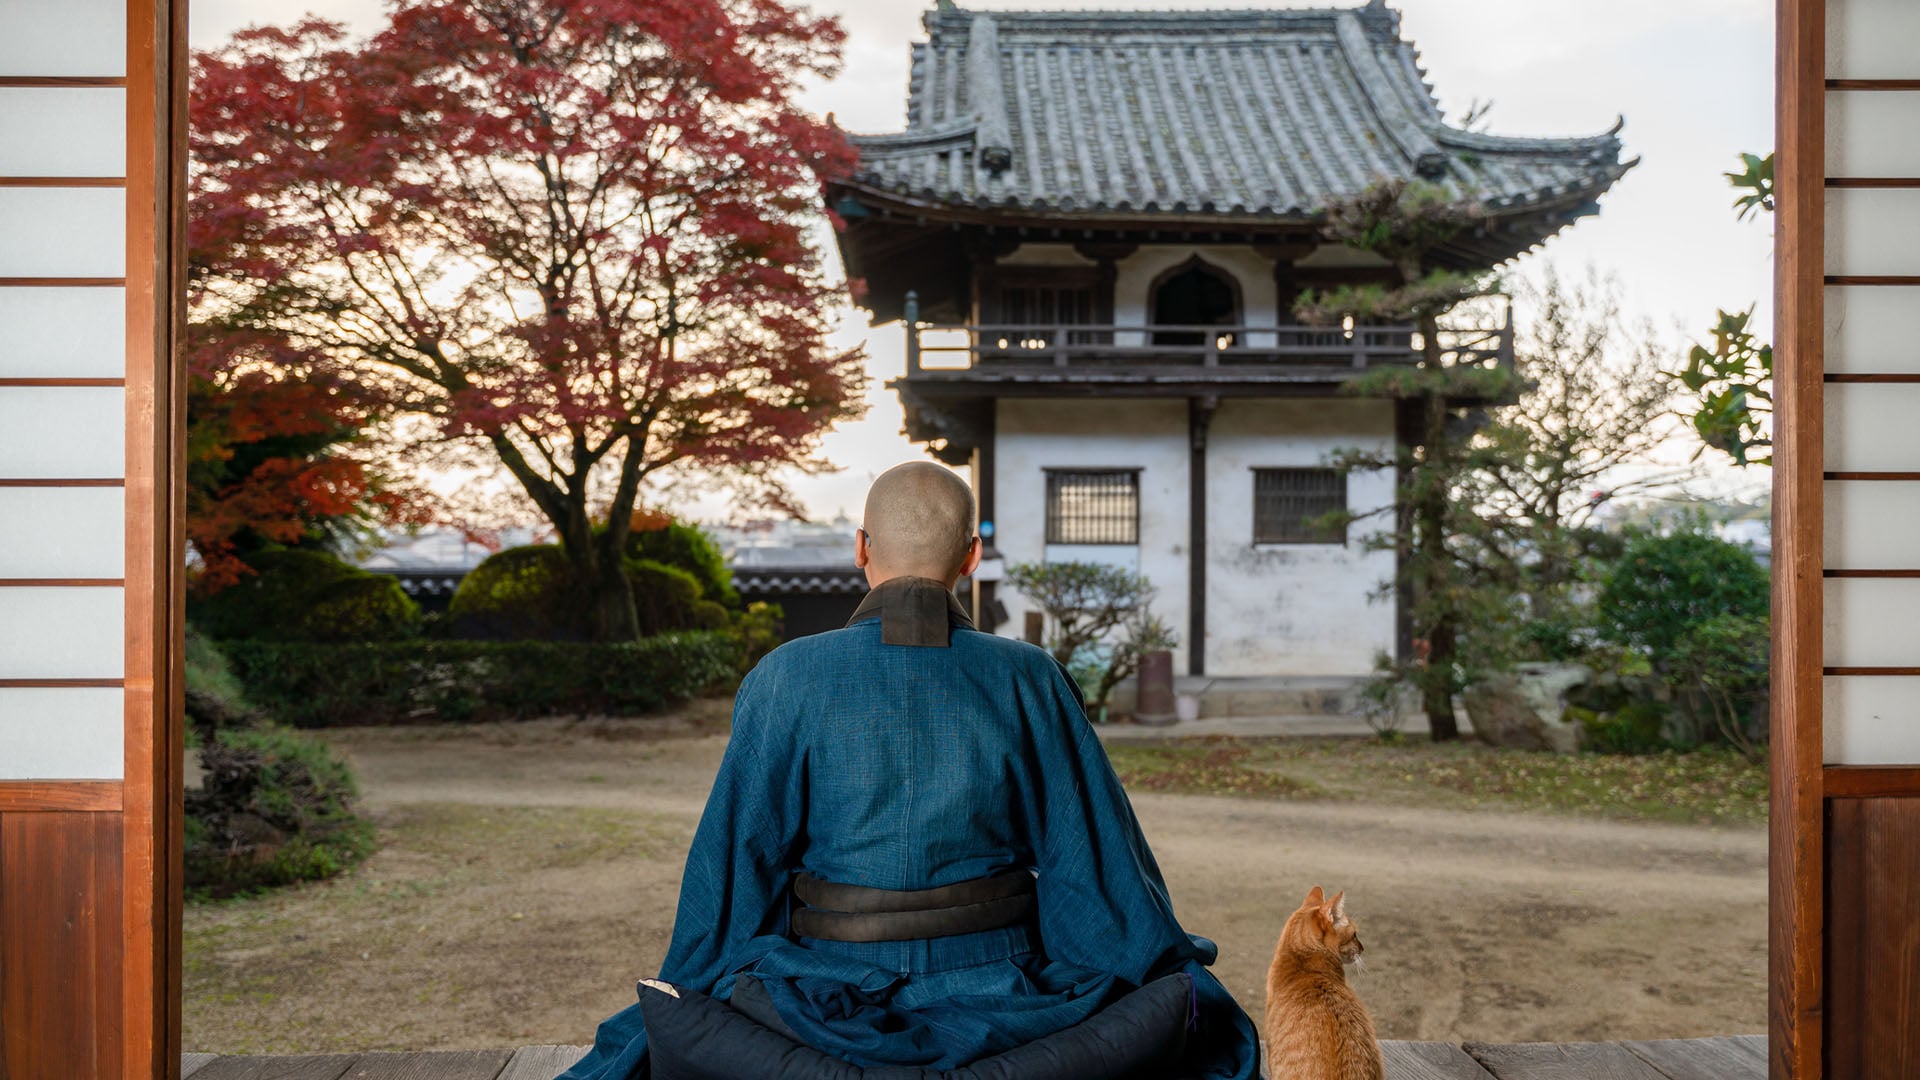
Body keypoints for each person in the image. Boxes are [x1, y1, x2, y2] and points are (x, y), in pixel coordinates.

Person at [559, 462, 1261, 1079]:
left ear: (861, 547)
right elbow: (1096, 868)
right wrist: (1160, 967)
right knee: (1176, 1009)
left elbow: (738, 869)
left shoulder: (785, 677)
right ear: (973, 556)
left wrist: (698, 983)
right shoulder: (1029, 678)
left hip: (816, 1006)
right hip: (1004, 1001)